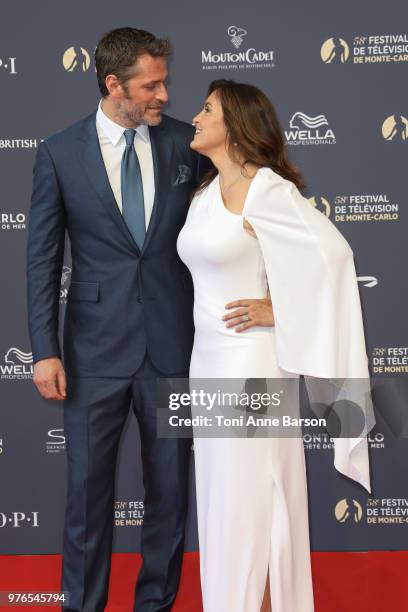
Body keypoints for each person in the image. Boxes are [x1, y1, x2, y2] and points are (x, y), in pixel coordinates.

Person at [177, 79, 374, 612]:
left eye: (207, 109)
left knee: (257, 506)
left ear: (234, 126)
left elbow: (335, 259)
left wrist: (279, 309)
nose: (194, 117)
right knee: (225, 508)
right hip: (210, 366)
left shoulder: (268, 190)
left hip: (253, 365)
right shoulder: (203, 193)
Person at [27, 27, 204, 612]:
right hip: (92, 353)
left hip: (173, 351)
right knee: (86, 499)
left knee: (172, 496)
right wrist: (44, 349)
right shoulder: (59, 151)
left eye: (165, 82)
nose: (165, 96)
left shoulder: (188, 144)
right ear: (113, 84)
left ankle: (155, 604)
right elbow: (43, 258)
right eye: (152, 85)